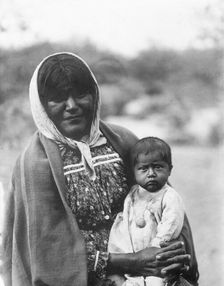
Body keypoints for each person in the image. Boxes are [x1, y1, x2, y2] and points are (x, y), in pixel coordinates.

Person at [2, 52, 199, 286]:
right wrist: (129, 261)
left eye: (81, 94)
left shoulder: (124, 141)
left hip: (149, 269)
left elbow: (165, 201)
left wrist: (168, 251)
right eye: (57, 98)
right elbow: (48, 253)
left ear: (94, 94)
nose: (72, 106)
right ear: (42, 105)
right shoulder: (35, 164)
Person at [108, 137, 190, 286]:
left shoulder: (169, 196)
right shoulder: (132, 195)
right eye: (143, 169)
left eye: (158, 167)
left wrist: (156, 247)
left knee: (156, 282)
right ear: (134, 172)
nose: (151, 173)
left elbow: (171, 223)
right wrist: (126, 254)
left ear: (169, 169)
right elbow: (125, 222)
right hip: (135, 259)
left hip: (158, 258)